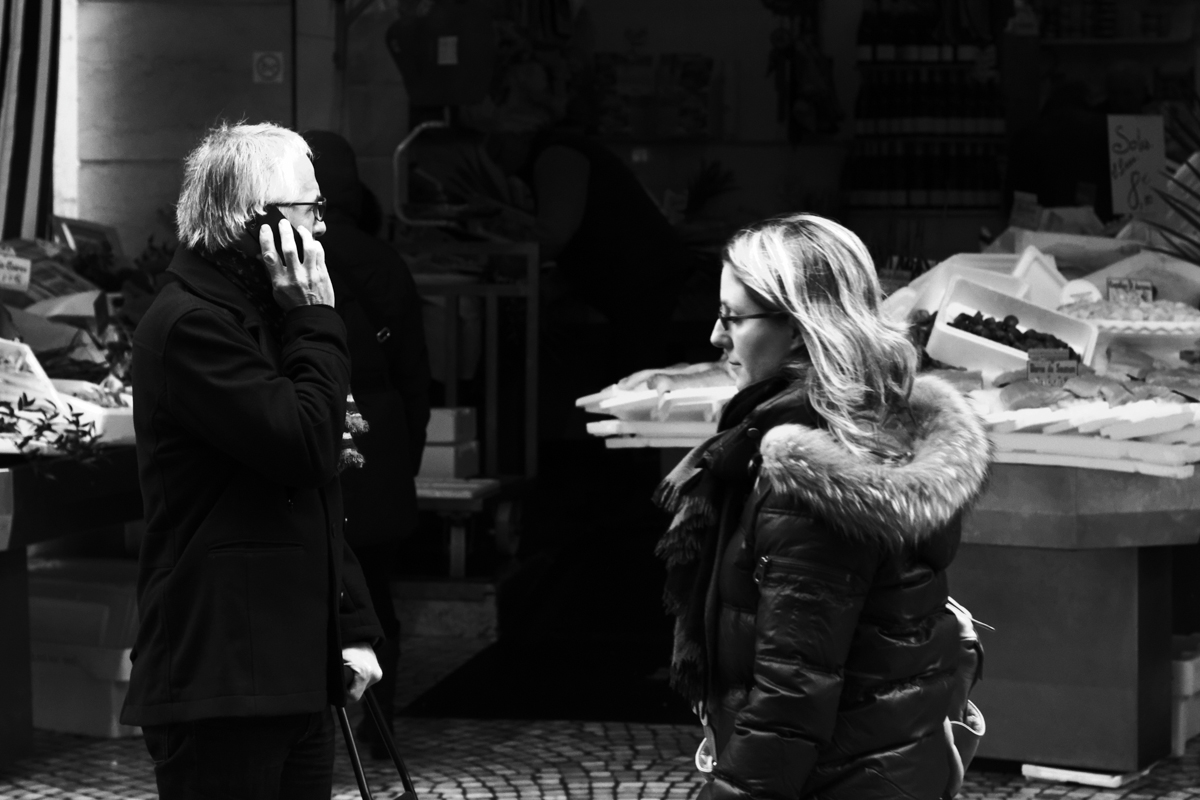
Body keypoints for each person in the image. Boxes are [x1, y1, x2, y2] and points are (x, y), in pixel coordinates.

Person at [654, 214, 991, 799]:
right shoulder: (857, 433)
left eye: (733, 318)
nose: (715, 335)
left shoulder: (810, 484)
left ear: (800, 327)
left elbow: (791, 697)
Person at [122, 121, 384, 799]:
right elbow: (302, 444)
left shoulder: (260, 309)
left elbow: (316, 488)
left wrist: (350, 627)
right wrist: (316, 317)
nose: (322, 229)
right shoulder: (193, 323)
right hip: (223, 679)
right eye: (309, 209)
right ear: (253, 221)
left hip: (287, 667)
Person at [303, 129, 432, 754]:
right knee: (375, 591)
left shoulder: (287, 259)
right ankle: (380, 731)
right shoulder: (386, 262)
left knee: (306, 589)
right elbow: (416, 376)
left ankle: (311, 732)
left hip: (316, 446)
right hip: (379, 452)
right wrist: (404, 459)